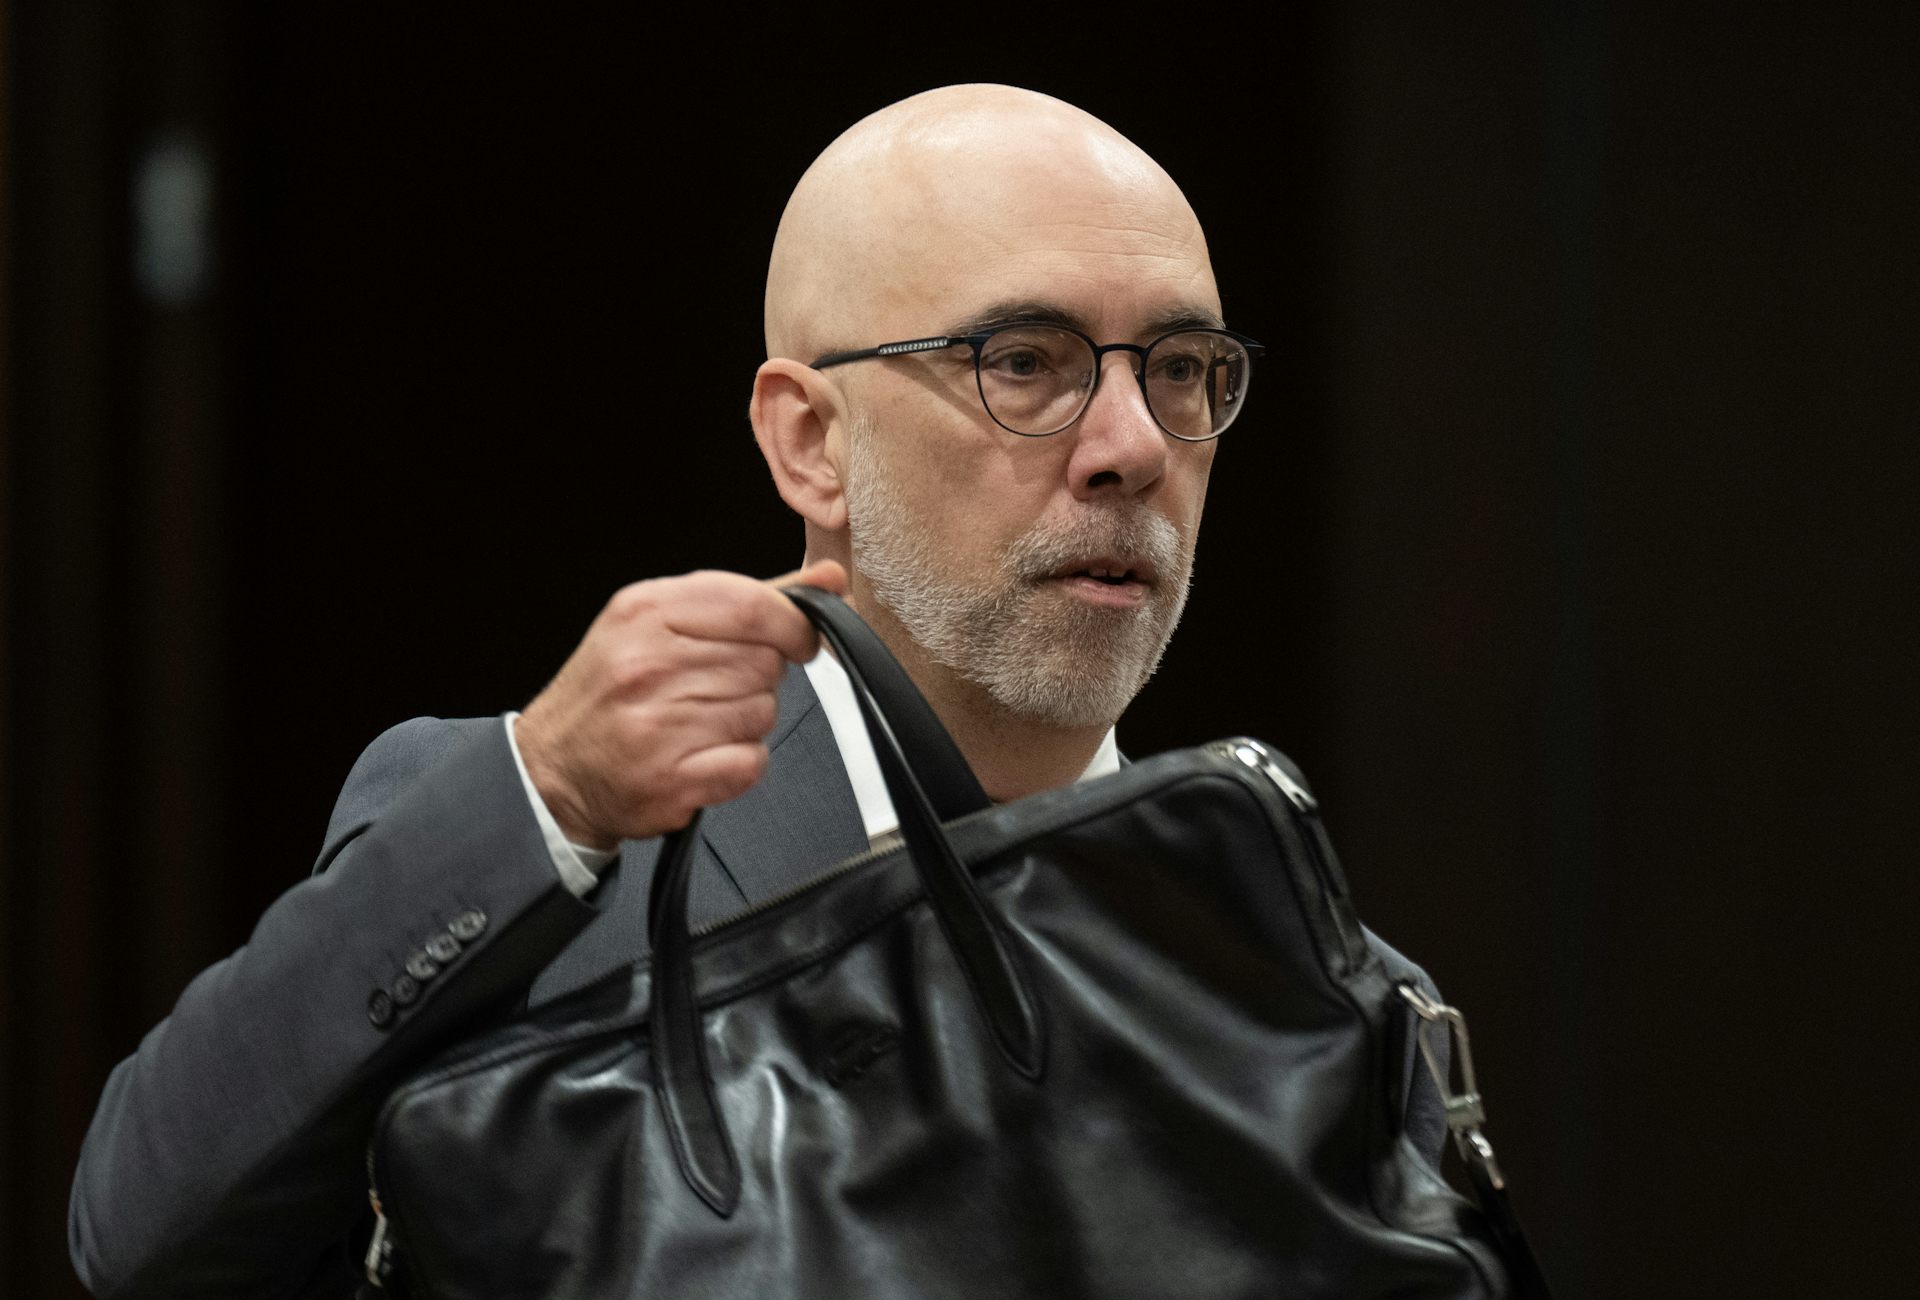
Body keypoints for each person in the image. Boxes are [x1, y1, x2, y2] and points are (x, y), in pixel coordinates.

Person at [69, 84, 1448, 1298]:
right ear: (809, 443)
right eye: (1025, 363)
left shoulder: (1319, 994)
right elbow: (146, 1237)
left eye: (1183, 371)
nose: (1132, 444)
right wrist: (545, 797)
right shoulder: (537, 852)